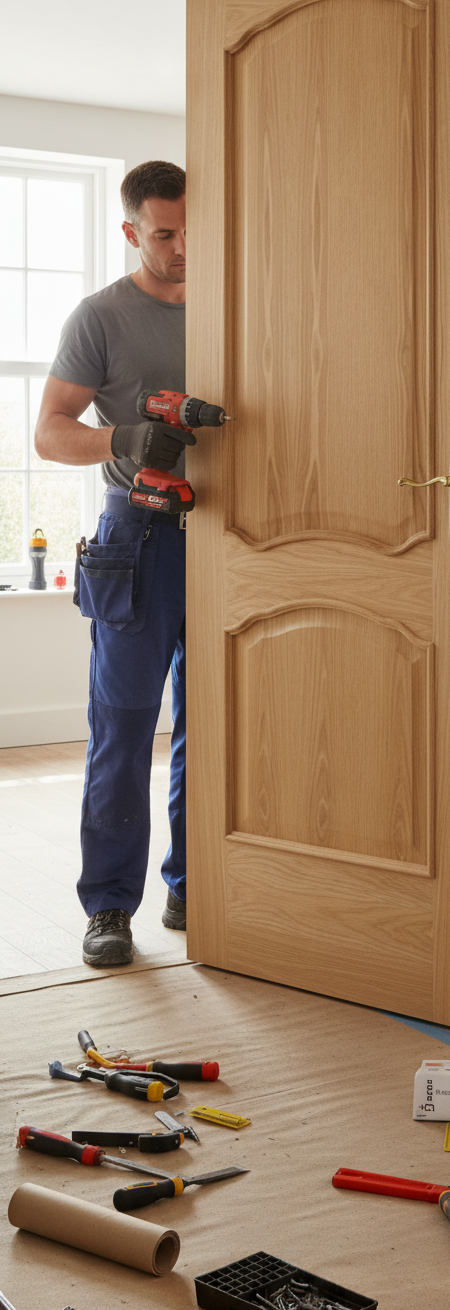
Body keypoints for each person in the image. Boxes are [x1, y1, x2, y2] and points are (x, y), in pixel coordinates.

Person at [35, 159, 194, 967]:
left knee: (220, 728)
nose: (183, 247)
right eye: (165, 233)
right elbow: (50, 430)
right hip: (136, 542)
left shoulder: (241, 303)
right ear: (131, 230)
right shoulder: (101, 316)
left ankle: (195, 887)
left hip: (234, 541)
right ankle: (108, 907)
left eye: (194, 228)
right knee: (124, 729)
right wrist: (123, 439)